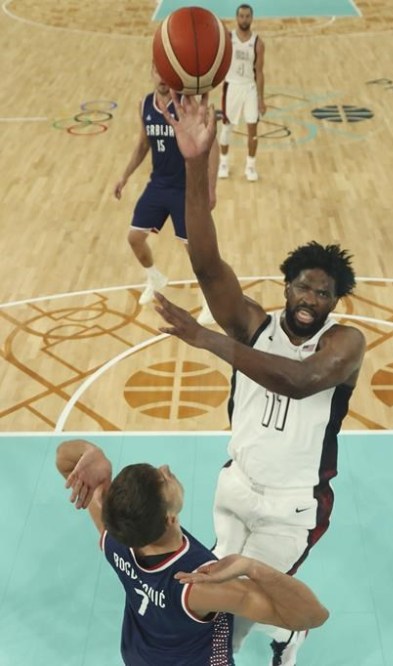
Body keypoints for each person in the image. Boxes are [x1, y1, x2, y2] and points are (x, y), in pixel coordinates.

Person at [155, 93, 365, 666]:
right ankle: (287, 628)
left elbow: (300, 380)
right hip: (236, 487)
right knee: (217, 600)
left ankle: (286, 634)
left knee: (233, 625)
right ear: (286, 286)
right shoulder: (254, 325)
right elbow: (206, 265)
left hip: (293, 506)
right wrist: (195, 163)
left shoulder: (344, 345)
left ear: (335, 301)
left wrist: (210, 340)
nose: (311, 299)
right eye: (303, 286)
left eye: (324, 293)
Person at [55, 438, 329, 666]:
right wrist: (251, 567)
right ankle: (287, 641)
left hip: (139, 658)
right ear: (169, 518)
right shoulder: (196, 585)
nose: (166, 468)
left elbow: (65, 461)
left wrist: (92, 452)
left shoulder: (116, 537)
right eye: (163, 480)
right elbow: (313, 616)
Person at [114, 66, 218, 321]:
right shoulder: (145, 105)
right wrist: (124, 176)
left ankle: (211, 301)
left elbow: (212, 146)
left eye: (165, 73)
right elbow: (143, 144)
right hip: (159, 185)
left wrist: (210, 187)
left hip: (186, 188)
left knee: (195, 252)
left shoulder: (187, 106)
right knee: (134, 238)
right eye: (157, 73)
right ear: (151, 73)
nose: (161, 79)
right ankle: (155, 278)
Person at [218, 3, 266, 182]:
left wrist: (261, 99)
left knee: (252, 128)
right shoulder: (228, 38)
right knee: (227, 127)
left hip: (249, 88)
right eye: (241, 16)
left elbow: (259, 72)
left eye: (247, 16)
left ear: (251, 18)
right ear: (237, 18)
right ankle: (223, 163)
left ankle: (250, 166)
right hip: (232, 86)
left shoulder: (258, 43)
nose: (244, 19)